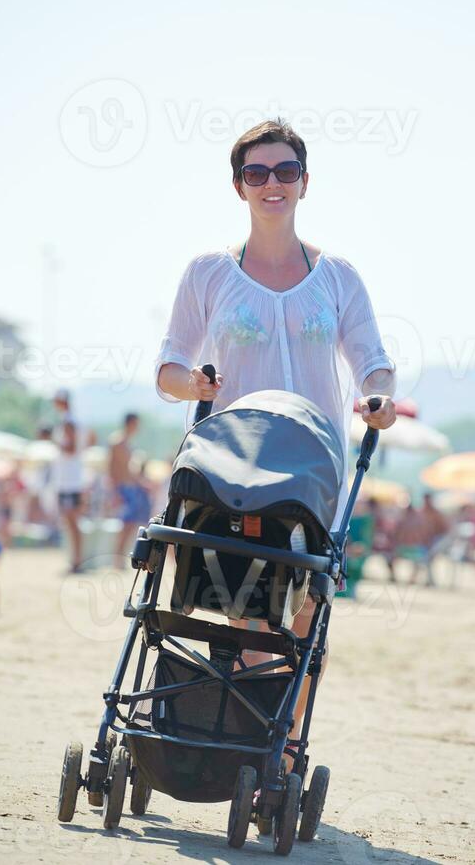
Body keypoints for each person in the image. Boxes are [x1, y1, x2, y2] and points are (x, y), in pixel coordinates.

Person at [155, 119, 397, 742]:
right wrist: (196, 385)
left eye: (285, 172)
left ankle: (282, 745)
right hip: (229, 466)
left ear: (304, 183)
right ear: (239, 186)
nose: (273, 184)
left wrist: (379, 399)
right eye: (257, 173)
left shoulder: (338, 275)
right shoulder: (207, 272)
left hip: (313, 470)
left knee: (306, 612)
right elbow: (168, 369)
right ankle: (249, 735)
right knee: (247, 609)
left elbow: (373, 362)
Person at [108, 413, 151, 566]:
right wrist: (115, 492)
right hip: (124, 489)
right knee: (126, 524)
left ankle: (118, 557)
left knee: (128, 524)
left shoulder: (123, 441)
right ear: (131, 423)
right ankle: (117, 558)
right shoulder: (119, 442)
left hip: (127, 488)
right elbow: (116, 469)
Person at [51, 390, 86, 572]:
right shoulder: (71, 420)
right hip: (71, 479)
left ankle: (77, 560)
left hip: (69, 480)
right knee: (71, 522)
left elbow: (70, 448)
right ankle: (76, 559)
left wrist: (52, 442)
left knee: (71, 521)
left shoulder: (68, 421)